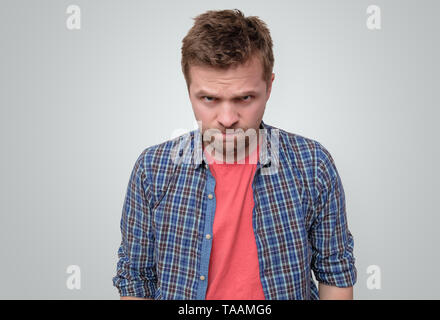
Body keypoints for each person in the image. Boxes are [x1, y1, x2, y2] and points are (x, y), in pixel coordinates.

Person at [113, 8, 357, 300]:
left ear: (269, 88)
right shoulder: (153, 169)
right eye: (209, 99)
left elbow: (335, 273)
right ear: (188, 89)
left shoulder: (312, 164)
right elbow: (136, 280)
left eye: (245, 98)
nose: (227, 118)